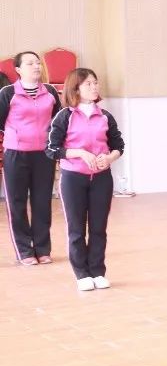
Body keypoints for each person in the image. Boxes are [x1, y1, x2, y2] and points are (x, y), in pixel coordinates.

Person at [45, 68, 124, 290]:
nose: (94, 87)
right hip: (73, 178)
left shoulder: (105, 116)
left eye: (95, 82)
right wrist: (80, 153)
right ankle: (81, 274)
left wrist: (109, 158)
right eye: (88, 83)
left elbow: (118, 145)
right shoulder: (64, 116)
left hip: (101, 179)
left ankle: (98, 271)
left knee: (99, 228)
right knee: (76, 229)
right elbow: (52, 149)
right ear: (76, 89)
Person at [0, 51, 61, 265]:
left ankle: (42, 249)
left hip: (44, 154)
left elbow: (58, 122)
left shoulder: (50, 91)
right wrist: (16, 136)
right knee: (16, 203)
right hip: (16, 154)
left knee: (42, 202)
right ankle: (24, 251)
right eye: (30, 63)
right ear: (18, 69)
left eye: (38, 62)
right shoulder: (7, 93)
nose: (36, 66)